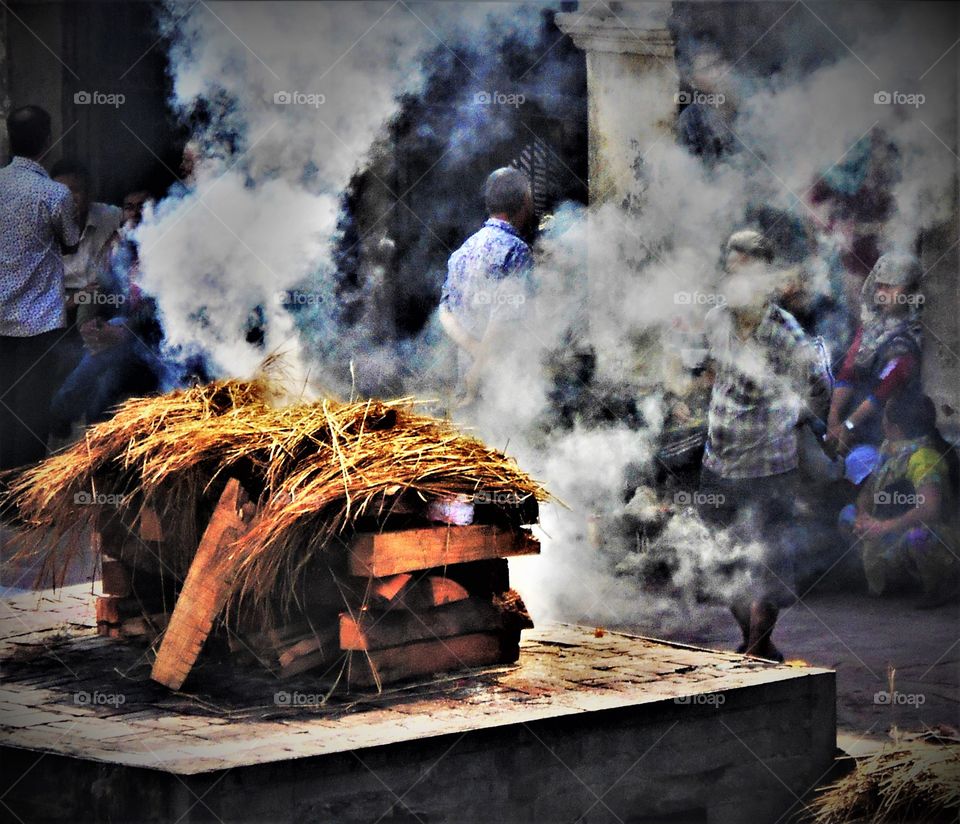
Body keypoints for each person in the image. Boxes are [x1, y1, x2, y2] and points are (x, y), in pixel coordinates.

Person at [698, 229, 832, 661]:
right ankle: (760, 646)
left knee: (769, 566)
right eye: (731, 271)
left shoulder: (784, 330)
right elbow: (714, 372)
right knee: (720, 561)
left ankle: (754, 654)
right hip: (718, 462)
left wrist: (795, 416)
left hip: (770, 468)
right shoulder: (714, 320)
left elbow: (819, 384)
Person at [0, 105, 80, 471]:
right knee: (32, 411)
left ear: (9, 138)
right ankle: (23, 495)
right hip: (37, 322)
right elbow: (71, 241)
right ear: (48, 140)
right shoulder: (54, 194)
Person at [50, 189, 162, 436]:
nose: (135, 213)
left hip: (152, 339)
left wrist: (123, 330)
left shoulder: (166, 247)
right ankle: (83, 435)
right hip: (115, 335)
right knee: (105, 373)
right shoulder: (116, 244)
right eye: (129, 207)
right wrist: (87, 326)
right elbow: (95, 288)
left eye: (142, 206)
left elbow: (158, 308)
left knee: (107, 380)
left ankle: (61, 410)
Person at [838, 394, 958, 608]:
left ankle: (940, 586)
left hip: (937, 535)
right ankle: (891, 581)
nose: (881, 422)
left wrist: (883, 527)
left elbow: (929, 509)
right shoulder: (889, 449)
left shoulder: (925, 457)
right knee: (848, 515)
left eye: (884, 418)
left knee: (920, 537)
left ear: (895, 428)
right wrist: (863, 516)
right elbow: (868, 491)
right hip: (891, 531)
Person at [439, 167, 534, 405]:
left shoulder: (462, 251)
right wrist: (482, 365)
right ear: (524, 201)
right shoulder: (516, 251)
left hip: (466, 377)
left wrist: (474, 351)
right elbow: (505, 318)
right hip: (501, 384)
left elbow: (445, 312)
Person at [825, 252, 923, 458]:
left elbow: (882, 392)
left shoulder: (907, 341)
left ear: (911, 291)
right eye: (879, 286)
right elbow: (848, 372)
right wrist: (833, 418)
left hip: (885, 434)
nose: (882, 293)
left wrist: (848, 425)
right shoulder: (872, 327)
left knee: (860, 460)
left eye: (890, 286)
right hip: (854, 424)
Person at [50, 159, 122, 325]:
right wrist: (71, 301)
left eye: (75, 190)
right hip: (57, 299)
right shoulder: (40, 226)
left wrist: (119, 237)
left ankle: (88, 346)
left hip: (98, 295)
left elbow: (135, 220)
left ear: (89, 193)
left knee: (92, 298)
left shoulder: (108, 216)